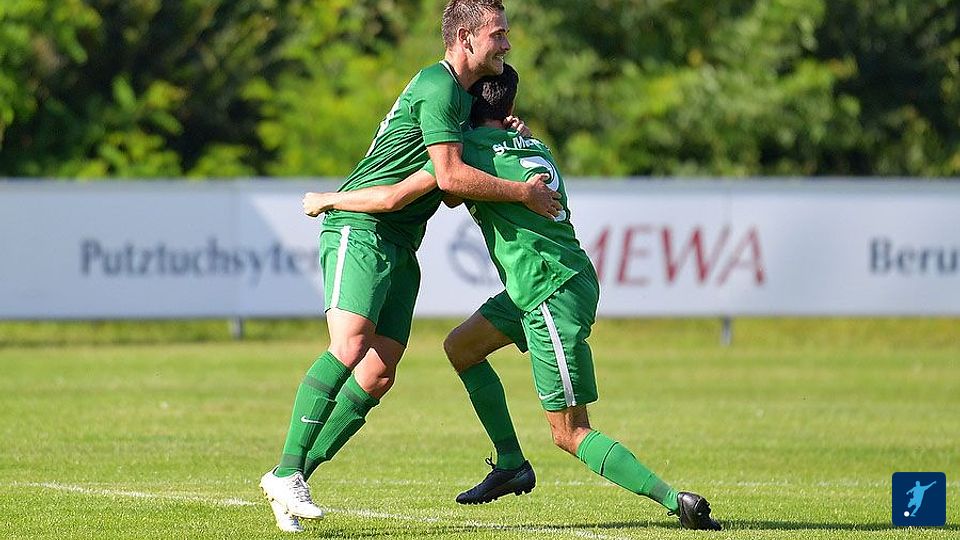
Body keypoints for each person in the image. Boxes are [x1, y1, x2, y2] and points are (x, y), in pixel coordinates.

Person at [307, 64, 722, 530]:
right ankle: (510, 464)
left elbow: (411, 194)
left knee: (569, 431)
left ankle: (676, 502)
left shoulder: (471, 152)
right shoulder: (533, 144)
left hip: (548, 290)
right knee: (461, 347)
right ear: (510, 105)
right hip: (549, 282)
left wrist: (330, 199)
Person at [259, 0, 560, 533]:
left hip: (400, 241)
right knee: (349, 346)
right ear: (465, 38)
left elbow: (445, 190)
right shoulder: (438, 87)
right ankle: (287, 472)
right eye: (498, 34)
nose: (507, 44)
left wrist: (499, 134)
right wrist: (521, 191)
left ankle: (292, 477)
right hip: (362, 228)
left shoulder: (462, 101)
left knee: (377, 374)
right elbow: (447, 180)